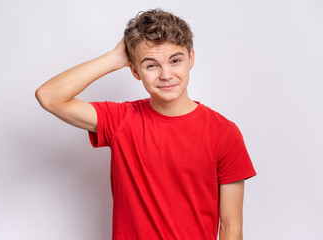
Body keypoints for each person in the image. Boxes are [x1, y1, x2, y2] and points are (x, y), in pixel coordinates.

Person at [35, 8, 256, 240]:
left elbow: (231, 228)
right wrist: (113, 58)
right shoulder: (120, 119)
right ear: (135, 70)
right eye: (151, 65)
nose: (166, 74)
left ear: (191, 58)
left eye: (175, 60)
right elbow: (49, 97)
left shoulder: (223, 132)